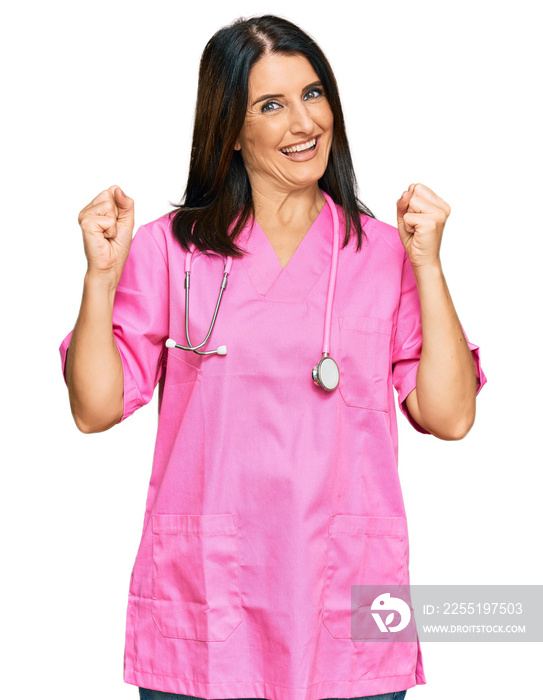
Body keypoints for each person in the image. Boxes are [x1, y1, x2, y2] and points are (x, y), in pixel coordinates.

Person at [59, 14, 487, 700]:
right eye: (271, 104)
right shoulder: (172, 250)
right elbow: (95, 407)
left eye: (312, 94)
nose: (303, 121)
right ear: (229, 129)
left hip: (350, 603)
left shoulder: (384, 254)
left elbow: (450, 415)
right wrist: (100, 278)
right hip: (208, 604)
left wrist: (429, 266)